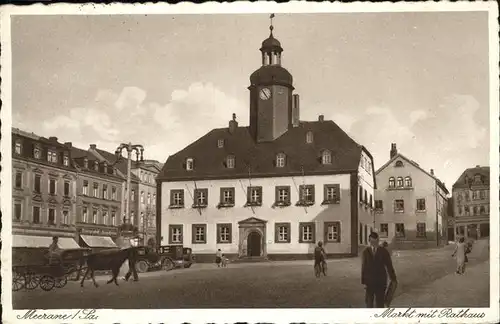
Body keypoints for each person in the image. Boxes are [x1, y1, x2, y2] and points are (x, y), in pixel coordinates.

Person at [361, 232, 397, 308]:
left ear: (378, 241)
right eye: (372, 241)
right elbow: (364, 266)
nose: (373, 243)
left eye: (375, 241)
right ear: (369, 241)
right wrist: (363, 280)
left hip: (381, 281)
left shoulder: (383, 251)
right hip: (369, 282)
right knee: (369, 303)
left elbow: (389, 265)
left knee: (380, 303)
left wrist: (393, 278)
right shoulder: (365, 252)